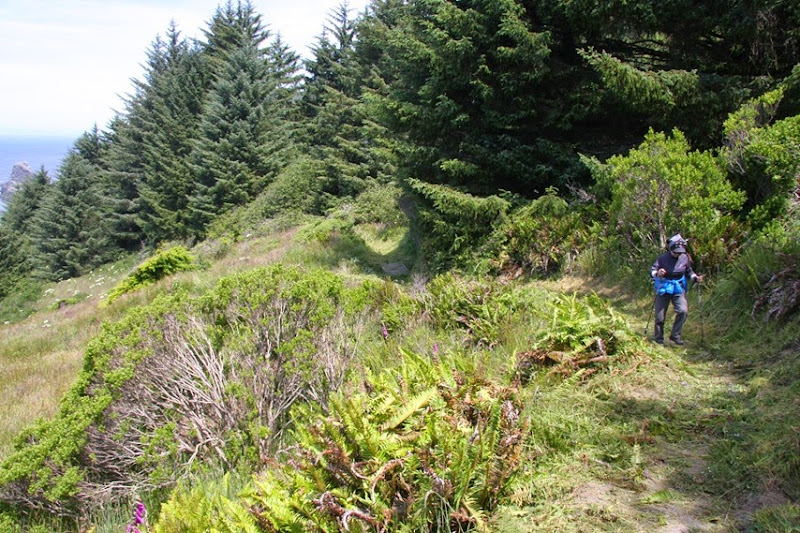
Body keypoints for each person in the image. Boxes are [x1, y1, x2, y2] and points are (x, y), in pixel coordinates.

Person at [650, 234, 704, 345]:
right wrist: (658, 273)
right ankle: (658, 338)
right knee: (660, 316)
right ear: (670, 249)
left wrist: (695, 278)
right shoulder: (663, 258)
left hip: (678, 287)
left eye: (679, 252)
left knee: (683, 311)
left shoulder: (684, 258)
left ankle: (675, 335)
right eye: (675, 252)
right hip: (664, 286)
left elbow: (689, 271)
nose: (677, 254)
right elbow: (653, 270)